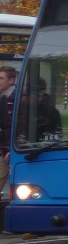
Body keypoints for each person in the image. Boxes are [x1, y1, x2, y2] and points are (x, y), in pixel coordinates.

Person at [0, 65, 16, 200]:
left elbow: (18, 127)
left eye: (1, 78)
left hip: (9, 149)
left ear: (11, 80)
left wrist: (10, 148)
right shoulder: (2, 97)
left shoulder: (18, 99)